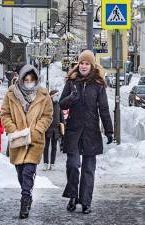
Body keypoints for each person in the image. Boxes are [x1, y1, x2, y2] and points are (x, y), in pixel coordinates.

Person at [59, 50, 113, 214]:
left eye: (87, 63)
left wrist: (109, 131)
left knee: (89, 169)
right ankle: (73, 196)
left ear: (91, 66)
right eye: (81, 63)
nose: (83, 66)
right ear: (78, 65)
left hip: (91, 132)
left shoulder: (98, 84)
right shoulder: (71, 82)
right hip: (74, 131)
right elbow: (62, 104)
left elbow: (103, 108)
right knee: (73, 165)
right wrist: (72, 98)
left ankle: (86, 201)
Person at [0, 64, 53, 219]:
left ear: (36, 80)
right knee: (21, 173)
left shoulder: (43, 95)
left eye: (32, 79)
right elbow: (5, 114)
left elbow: (48, 115)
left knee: (29, 171)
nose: (29, 82)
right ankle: (26, 193)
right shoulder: (11, 94)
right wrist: (13, 129)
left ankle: (25, 200)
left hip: (34, 140)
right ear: (21, 79)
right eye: (26, 79)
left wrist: (37, 129)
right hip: (18, 139)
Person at [43, 90, 65, 171]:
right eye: (56, 95)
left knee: (54, 147)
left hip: (56, 130)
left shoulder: (58, 105)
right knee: (46, 147)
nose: (57, 97)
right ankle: (45, 163)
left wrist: (63, 125)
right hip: (47, 129)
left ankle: (52, 163)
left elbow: (61, 116)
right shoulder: (47, 105)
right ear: (51, 96)